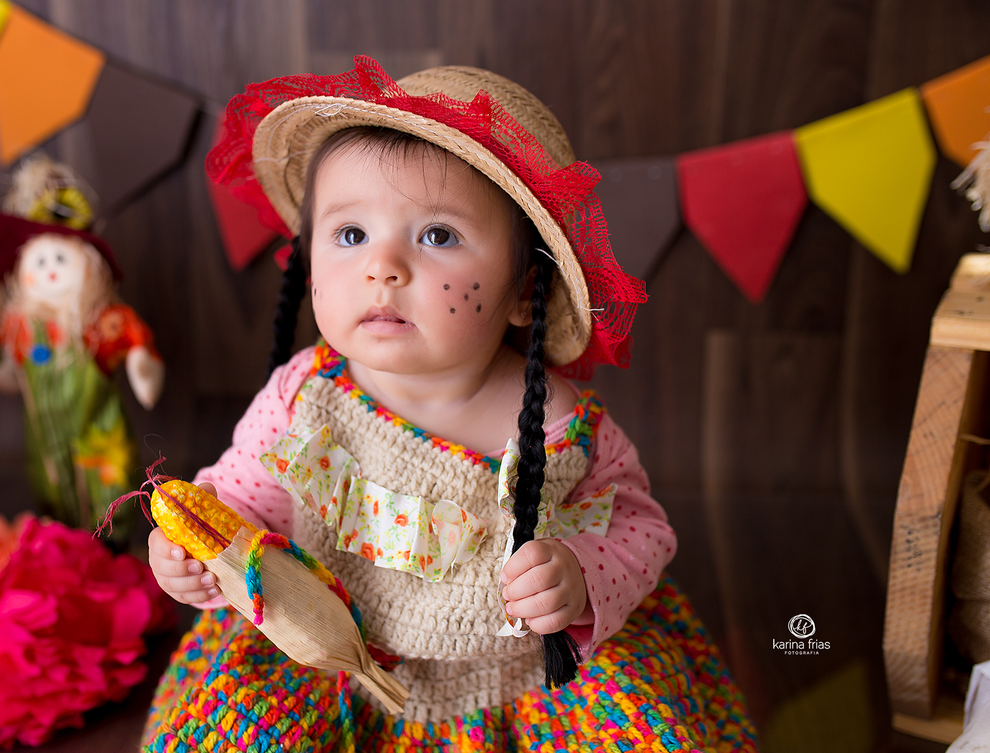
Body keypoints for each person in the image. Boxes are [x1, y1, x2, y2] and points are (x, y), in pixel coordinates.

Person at [144, 58, 756, 751]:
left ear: (526, 290)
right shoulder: (304, 399)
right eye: (351, 235)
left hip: (524, 681)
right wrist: (191, 553)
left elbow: (641, 532)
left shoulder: (561, 429)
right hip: (327, 663)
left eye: (437, 236)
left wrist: (580, 576)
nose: (384, 266)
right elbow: (239, 502)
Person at [0, 152, 165, 543]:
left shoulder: (99, 322)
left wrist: (142, 367)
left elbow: (135, 349)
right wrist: (4, 372)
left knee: (108, 486)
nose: (50, 269)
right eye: (41, 260)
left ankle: (114, 545)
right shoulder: (20, 326)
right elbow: (11, 370)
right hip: (45, 437)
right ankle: (65, 542)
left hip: (96, 431)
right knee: (50, 485)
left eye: (61, 258)